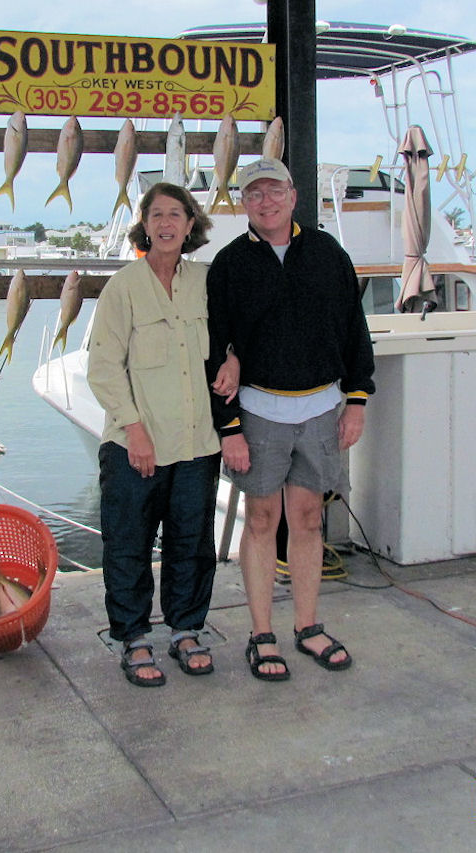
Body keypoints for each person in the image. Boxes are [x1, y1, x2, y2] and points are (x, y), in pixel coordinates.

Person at [206, 158, 375, 680]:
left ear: (294, 195)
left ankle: (307, 626)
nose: (266, 201)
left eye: (274, 191)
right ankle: (262, 634)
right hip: (258, 414)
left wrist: (358, 399)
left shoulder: (328, 253)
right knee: (261, 522)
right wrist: (229, 427)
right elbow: (215, 350)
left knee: (306, 520)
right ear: (243, 204)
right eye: (254, 194)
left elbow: (354, 330)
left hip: (324, 410)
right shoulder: (229, 265)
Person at [87, 182, 237, 687]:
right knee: (127, 545)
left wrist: (235, 359)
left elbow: (233, 334)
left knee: (192, 543)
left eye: (177, 214)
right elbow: (104, 367)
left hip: (197, 443)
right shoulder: (123, 287)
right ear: (145, 226)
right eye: (157, 215)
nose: (167, 224)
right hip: (136, 444)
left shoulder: (208, 281)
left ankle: (186, 630)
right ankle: (132, 638)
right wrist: (135, 431)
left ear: (191, 224)